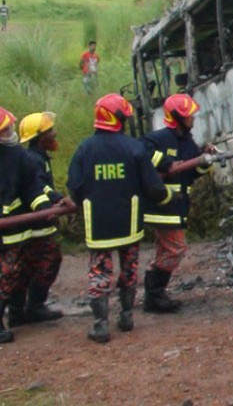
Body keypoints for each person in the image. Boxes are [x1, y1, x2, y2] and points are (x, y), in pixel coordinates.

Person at [67, 94, 174, 343]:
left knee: (99, 273)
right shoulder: (133, 147)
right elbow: (153, 187)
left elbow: (75, 186)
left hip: (99, 225)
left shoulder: (84, 149)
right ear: (116, 119)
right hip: (129, 223)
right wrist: (169, 198)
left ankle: (100, 326)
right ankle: (126, 317)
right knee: (129, 270)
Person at [0, 106, 74, 343]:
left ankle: (28, 310)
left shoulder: (19, 156)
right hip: (7, 231)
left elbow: (34, 185)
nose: (10, 131)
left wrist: (48, 205)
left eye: (9, 127)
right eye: (5, 129)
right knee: (8, 274)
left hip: (22, 229)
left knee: (41, 262)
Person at [141, 94, 212, 314]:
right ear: (177, 117)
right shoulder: (158, 139)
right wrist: (167, 163)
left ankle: (154, 295)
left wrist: (205, 159)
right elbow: (141, 153)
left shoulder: (188, 142)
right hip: (162, 205)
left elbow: (194, 173)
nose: (193, 118)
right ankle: (154, 294)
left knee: (167, 249)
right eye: (189, 115)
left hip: (178, 205)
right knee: (176, 248)